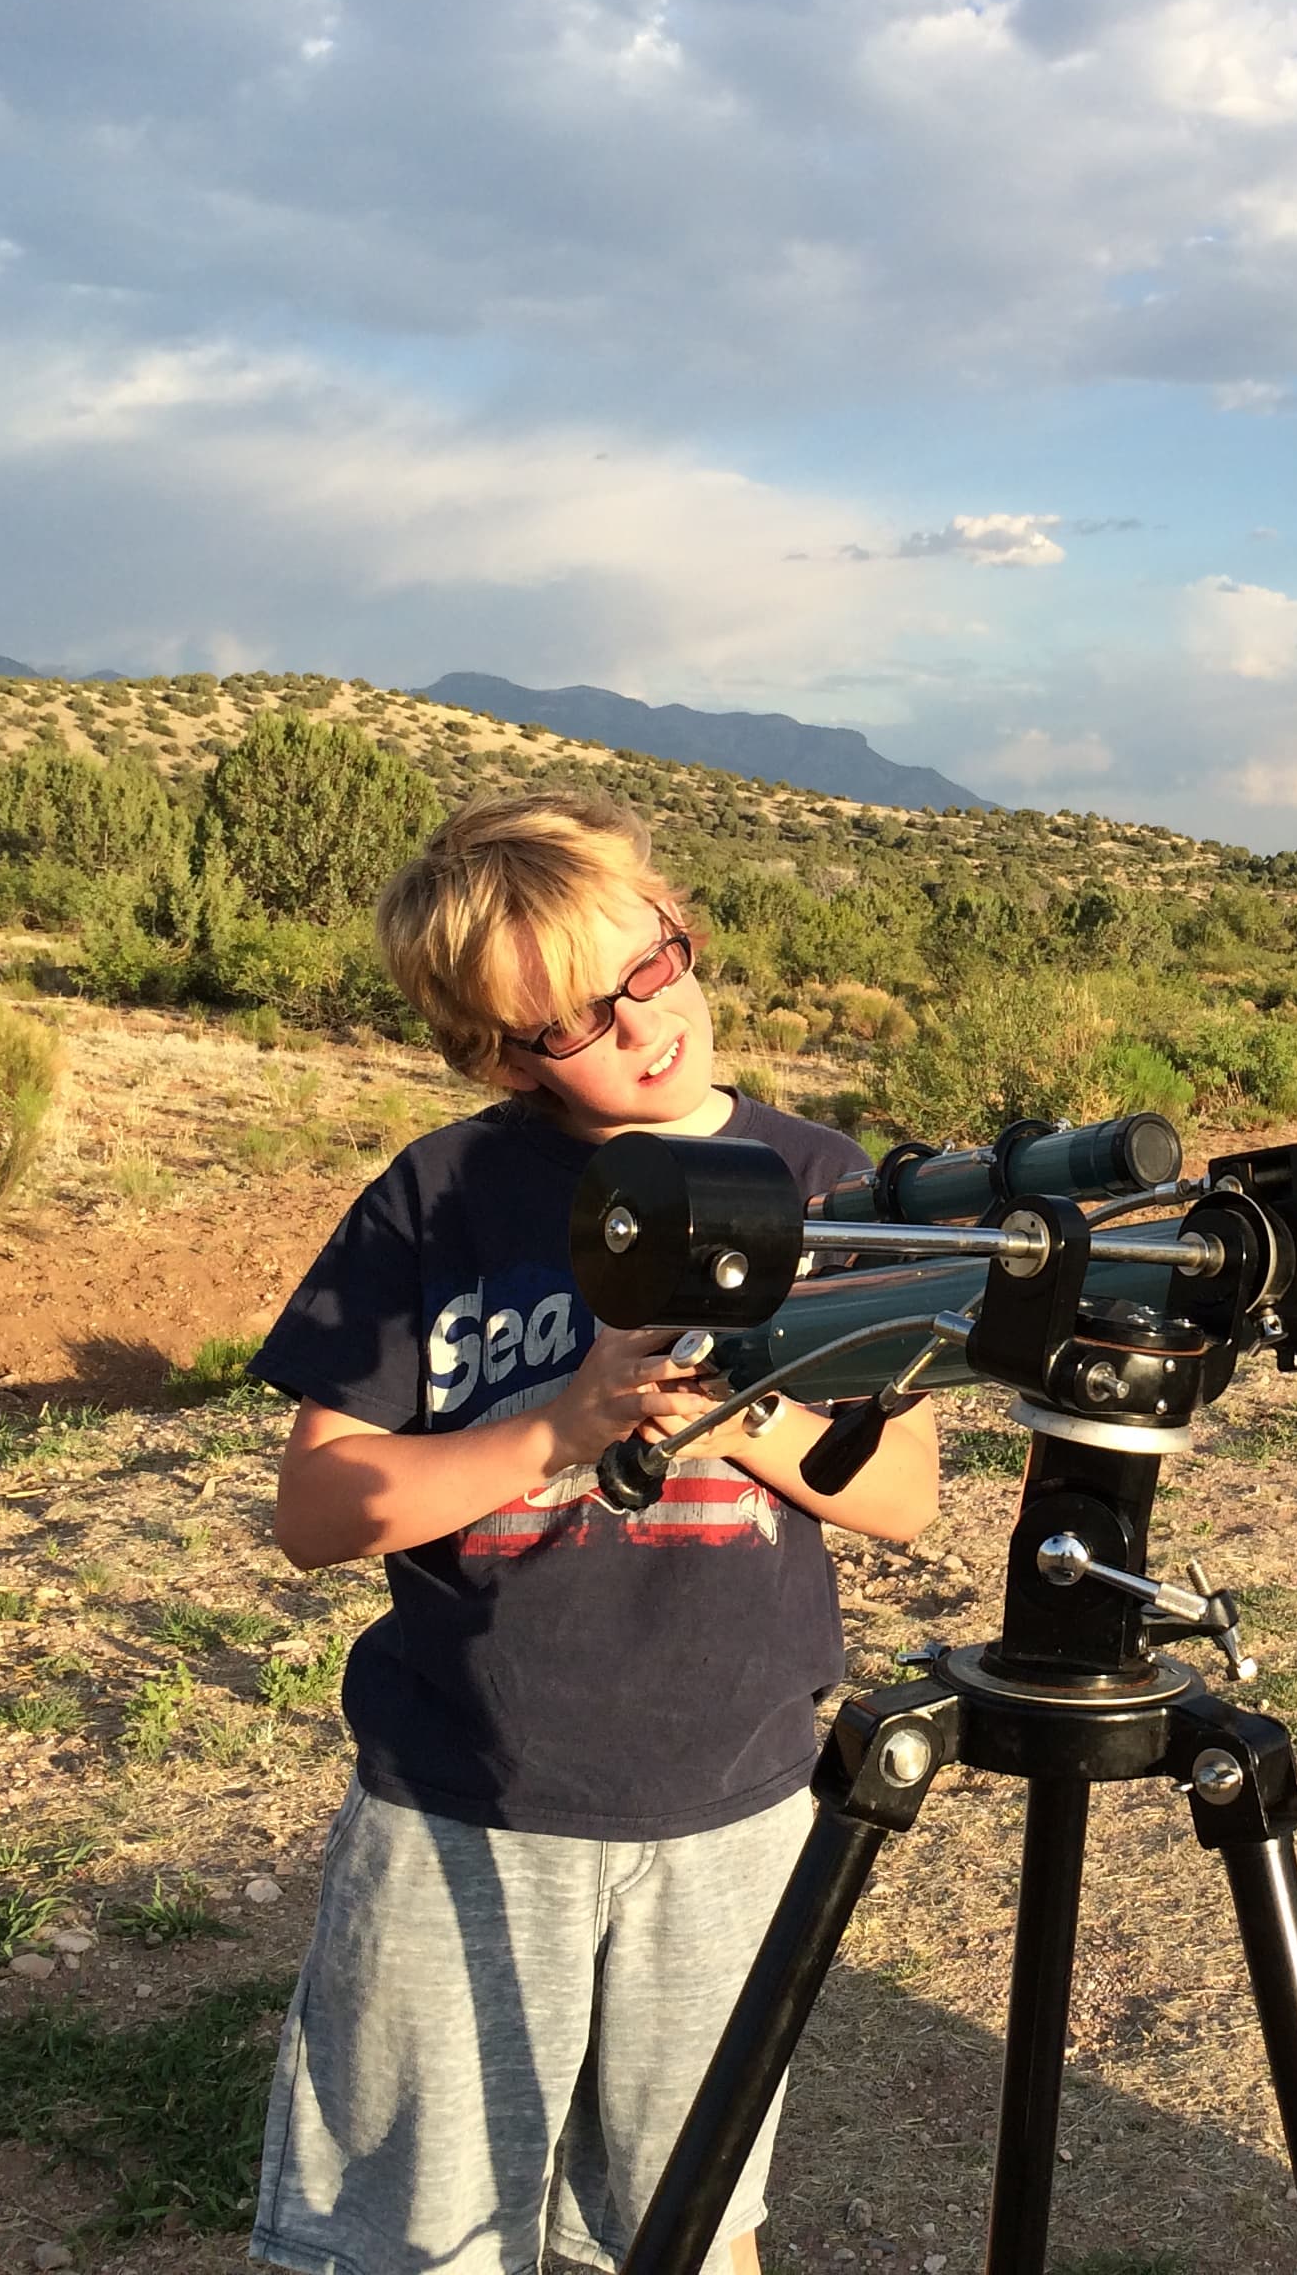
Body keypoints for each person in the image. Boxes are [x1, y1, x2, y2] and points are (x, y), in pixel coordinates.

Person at [245, 790, 937, 2275]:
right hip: (464, 1801)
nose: (644, 1024)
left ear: (680, 928)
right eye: (573, 1021)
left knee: (694, 2223)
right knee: (414, 2234)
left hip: (737, 1804)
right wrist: (557, 1426)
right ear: (498, 1051)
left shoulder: (828, 1186)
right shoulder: (441, 1196)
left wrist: (737, 1406)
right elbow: (316, 1512)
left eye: (652, 965)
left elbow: (902, 1496)